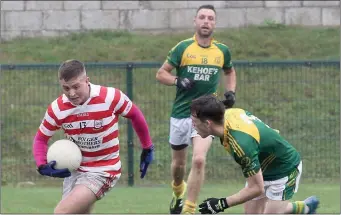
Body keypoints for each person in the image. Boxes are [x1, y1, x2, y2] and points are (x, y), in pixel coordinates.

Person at [32, 59, 154, 214]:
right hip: (76, 170)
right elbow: (41, 138)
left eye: (76, 86)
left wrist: (147, 146)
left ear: (87, 81)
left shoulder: (110, 97)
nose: (72, 93)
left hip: (103, 170)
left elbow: (135, 115)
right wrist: (42, 165)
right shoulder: (57, 109)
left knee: (61, 212)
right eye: (66, 88)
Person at [155, 4, 237, 214]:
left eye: (210, 18)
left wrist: (230, 92)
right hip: (181, 114)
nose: (206, 21)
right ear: (195, 21)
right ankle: (177, 191)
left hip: (206, 115)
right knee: (178, 166)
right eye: (202, 17)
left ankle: (189, 209)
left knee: (199, 159)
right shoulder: (183, 48)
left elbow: (229, 71)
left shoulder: (222, 51)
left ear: (215, 24)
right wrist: (177, 80)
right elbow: (161, 73)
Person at [189, 95, 320, 214]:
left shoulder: (241, 144)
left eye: (195, 120)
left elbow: (256, 188)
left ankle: (304, 208)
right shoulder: (231, 113)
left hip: (285, 171)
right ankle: (305, 207)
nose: (193, 125)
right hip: (261, 170)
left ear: (207, 123)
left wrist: (221, 203)